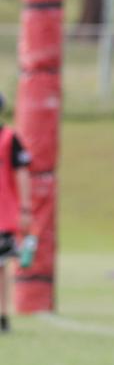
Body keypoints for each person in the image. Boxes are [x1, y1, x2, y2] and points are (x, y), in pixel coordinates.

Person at [0, 92, 32, 334]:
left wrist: (25, 208)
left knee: (1, 267)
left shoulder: (10, 138)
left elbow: (22, 173)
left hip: (3, 213)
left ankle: (2, 314)